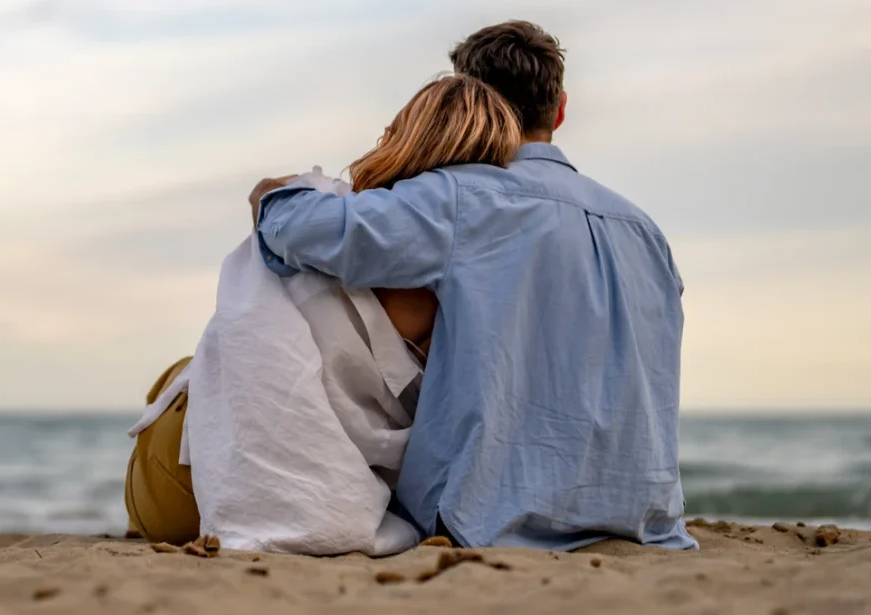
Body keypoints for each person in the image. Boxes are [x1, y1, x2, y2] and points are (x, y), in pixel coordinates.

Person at [248, 21, 695, 550]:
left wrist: (275, 196)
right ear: (561, 109)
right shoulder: (645, 232)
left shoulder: (459, 200)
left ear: (476, 103)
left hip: (490, 520)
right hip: (644, 524)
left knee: (273, 267)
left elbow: (307, 231)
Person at [124, 74, 523, 554]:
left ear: (412, 139)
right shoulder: (493, 273)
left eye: (393, 132)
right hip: (345, 481)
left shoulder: (339, 218)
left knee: (184, 375)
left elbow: (266, 198)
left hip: (189, 479)